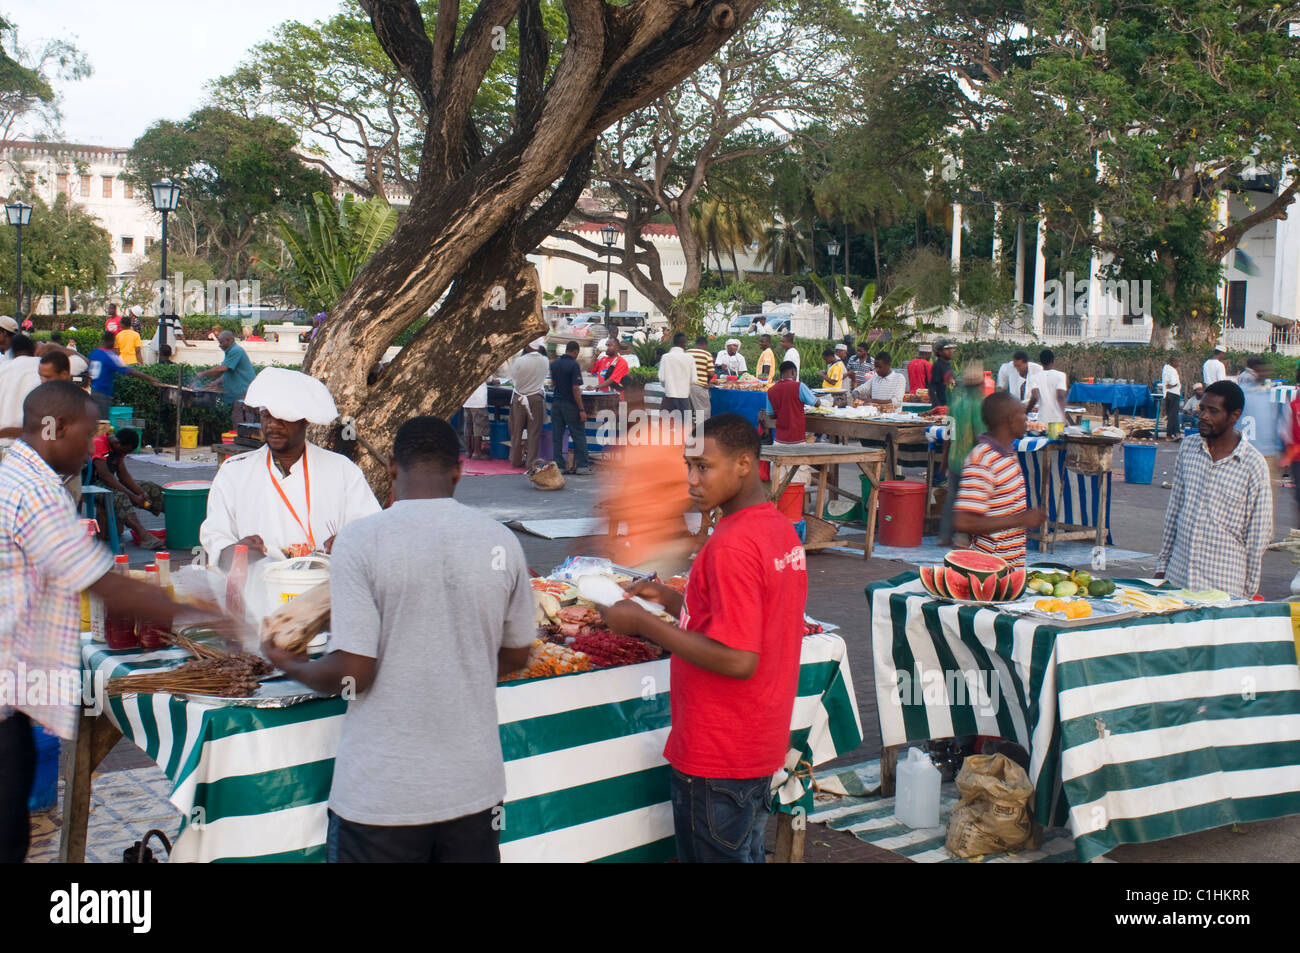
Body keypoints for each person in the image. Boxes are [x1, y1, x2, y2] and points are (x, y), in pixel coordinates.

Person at [262, 416, 533, 863]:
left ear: (390, 468)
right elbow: (517, 654)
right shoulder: (499, 541)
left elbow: (354, 671)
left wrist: (287, 662)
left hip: (382, 797)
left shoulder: (361, 541)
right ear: (459, 471)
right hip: (474, 792)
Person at [1, 381, 203, 861]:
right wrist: (207, 611)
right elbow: (103, 581)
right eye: (87, 433)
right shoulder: (34, 492)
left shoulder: (19, 472)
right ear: (57, 428)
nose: (92, 444)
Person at [595, 413, 807, 863]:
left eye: (704, 467)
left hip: (718, 752)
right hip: (757, 744)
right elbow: (740, 619)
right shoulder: (776, 528)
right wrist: (673, 600)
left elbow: (738, 658)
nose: (691, 479)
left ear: (744, 464)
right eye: (688, 465)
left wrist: (646, 624)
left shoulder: (732, 544)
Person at [199, 368, 382, 568]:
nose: (273, 426)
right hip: (257, 591)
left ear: (306, 421)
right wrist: (234, 552)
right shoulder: (233, 471)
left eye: (283, 418)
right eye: (266, 416)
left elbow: (371, 532)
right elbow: (216, 538)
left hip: (324, 591)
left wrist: (350, 542)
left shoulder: (342, 470)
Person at [1156, 380, 1271, 599]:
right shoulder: (1189, 448)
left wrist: (1247, 593)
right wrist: (1162, 567)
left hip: (1223, 587)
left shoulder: (1252, 464)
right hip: (1178, 579)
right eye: (1203, 409)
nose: (1204, 416)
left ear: (1234, 416)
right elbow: (1175, 510)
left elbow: (1258, 535)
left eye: (1213, 411)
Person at [596, 376, 695, 577]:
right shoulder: (629, 444)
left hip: (661, 549)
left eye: (634, 405)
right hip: (637, 548)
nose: (628, 412)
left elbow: (689, 490)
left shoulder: (663, 442)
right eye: (625, 406)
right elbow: (622, 494)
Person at [952, 391, 1046, 567]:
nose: (1027, 419)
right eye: (1022, 414)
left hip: (1011, 566)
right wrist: (1020, 519)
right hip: (987, 568)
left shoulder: (1008, 453)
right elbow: (963, 521)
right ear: (1009, 420)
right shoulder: (982, 460)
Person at [88, 428, 167, 550]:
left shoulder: (119, 449)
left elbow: (123, 475)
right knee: (121, 496)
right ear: (118, 444)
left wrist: (141, 493)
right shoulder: (99, 444)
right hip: (92, 486)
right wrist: (133, 496)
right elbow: (106, 476)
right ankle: (144, 537)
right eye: (126, 451)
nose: (125, 454)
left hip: (107, 483)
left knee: (150, 487)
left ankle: (179, 521)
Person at [938, 367, 989, 546]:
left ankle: (944, 536)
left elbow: (948, 436)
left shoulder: (955, 405)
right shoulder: (978, 405)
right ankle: (962, 537)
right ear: (979, 386)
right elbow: (979, 436)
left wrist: (944, 461)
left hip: (954, 458)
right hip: (971, 461)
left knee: (951, 499)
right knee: (969, 501)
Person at [87, 331, 161, 419]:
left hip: (93, 391)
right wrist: (150, 378)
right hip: (103, 394)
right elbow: (130, 371)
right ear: (111, 341)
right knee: (102, 422)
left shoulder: (95, 352)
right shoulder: (111, 357)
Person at [193, 330, 258, 424]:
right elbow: (229, 371)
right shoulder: (232, 351)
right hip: (238, 393)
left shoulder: (236, 351)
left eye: (221, 342)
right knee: (237, 418)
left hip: (244, 392)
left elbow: (222, 368)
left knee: (242, 422)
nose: (220, 345)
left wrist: (202, 374)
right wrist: (216, 382)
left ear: (229, 340)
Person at [506, 338, 549, 469]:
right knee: (533, 432)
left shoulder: (520, 361)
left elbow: (512, 377)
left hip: (519, 397)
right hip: (536, 397)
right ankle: (530, 462)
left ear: (528, 346)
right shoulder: (545, 361)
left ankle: (515, 459)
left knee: (516, 430)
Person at [550, 340, 590, 475]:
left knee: (557, 435)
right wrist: (581, 409)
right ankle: (583, 466)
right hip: (570, 405)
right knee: (578, 434)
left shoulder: (554, 364)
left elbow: (553, 383)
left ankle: (559, 465)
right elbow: (575, 388)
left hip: (556, 403)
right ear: (575, 352)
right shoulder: (573, 365)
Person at [0, 334, 40, 446]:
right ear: (33, 349)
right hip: (27, 445)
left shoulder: (3, 367)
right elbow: (81, 363)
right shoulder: (42, 366)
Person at [765, 361, 817, 446]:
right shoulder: (799, 386)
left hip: (779, 439)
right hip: (797, 438)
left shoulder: (770, 391)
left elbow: (771, 415)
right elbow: (816, 403)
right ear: (793, 372)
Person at [1025, 349, 1068, 425]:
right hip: (1057, 420)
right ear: (1053, 361)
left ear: (1041, 362)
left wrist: (1026, 412)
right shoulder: (1061, 375)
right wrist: (1063, 415)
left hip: (1043, 420)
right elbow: (1061, 396)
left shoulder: (1034, 377)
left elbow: (1035, 397)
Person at [659, 332, 696, 416]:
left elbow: (661, 378)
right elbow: (694, 380)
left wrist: (669, 385)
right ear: (683, 343)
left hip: (669, 396)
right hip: (684, 397)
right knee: (685, 425)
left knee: (665, 425)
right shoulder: (689, 358)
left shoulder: (665, 357)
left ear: (674, 343)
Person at [686, 335, 713, 420]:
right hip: (699, 386)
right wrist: (707, 382)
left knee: (688, 413)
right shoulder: (706, 354)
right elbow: (711, 373)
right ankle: (702, 432)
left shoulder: (686, 353)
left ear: (696, 344)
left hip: (684, 387)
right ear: (705, 345)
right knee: (703, 413)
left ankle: (689, 431)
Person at [462, 380, 490, 460]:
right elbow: (488, 378)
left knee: (468, 425)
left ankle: (468, 451)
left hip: (467, 399)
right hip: (478, 399)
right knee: (478, 426)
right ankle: (477, 452)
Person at [927, 340, 955, 408]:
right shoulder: (938, 365)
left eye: (951, 349)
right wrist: (937, 406)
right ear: (939, 352)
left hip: (948, 403)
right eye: (947, 349)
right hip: (940, 405)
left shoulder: (948, 365)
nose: (950, 351)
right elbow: (932, 387)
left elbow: (951, 382)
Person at [1160, 356, 1182, 441]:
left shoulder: (1165, 368)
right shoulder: (1172, 370)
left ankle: (1176, 433)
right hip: (1173, 393)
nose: (1178, 364)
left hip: (1168, 394)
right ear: (1173, 362)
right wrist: (1175, 385)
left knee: (1172, 414)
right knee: (1173, 415)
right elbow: (1173, 382)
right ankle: (1169, 434)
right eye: (1177, 362)